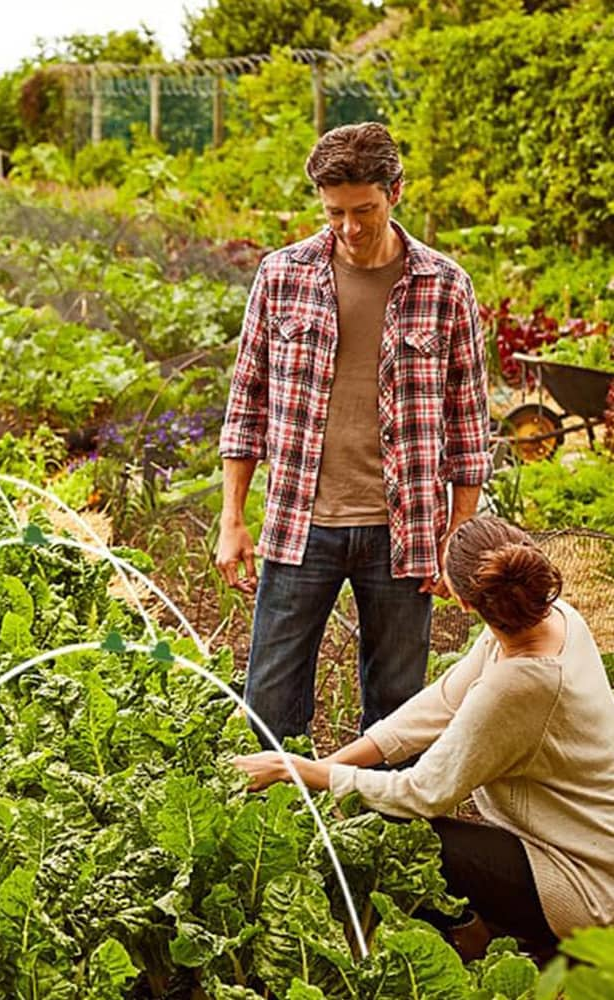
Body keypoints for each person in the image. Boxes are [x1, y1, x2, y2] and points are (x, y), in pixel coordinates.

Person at [217, 121, 491, 747]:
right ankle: (284, 825)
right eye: (335, 212)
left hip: (405, 529)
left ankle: (379, 835)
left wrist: (459, 531)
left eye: (364, 209)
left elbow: (469, 424)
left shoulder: (445, 285)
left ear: (396, 191)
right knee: (270, 700)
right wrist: (232, 516)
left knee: (396, 709)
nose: (349, 226)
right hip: (299, 523)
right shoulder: (282, 274)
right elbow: (246, 402)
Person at [233, 516, 614, 950]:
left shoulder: (521, 685)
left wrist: (295, 771)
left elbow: (422, 793)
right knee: (376, 810)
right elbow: (437, 705)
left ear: (464, 603)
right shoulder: (555, 619)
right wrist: (327, 766)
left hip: (583, 888)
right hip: (591, 847)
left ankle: (477, 939)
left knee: (393, 834)